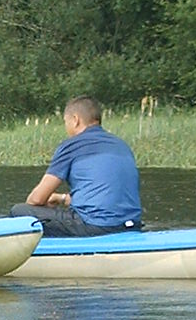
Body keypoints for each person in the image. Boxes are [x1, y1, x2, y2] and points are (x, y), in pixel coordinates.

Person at [16, 96, 142, 236]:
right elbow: (105, 195)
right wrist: (62, 198)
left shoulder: (72, 146)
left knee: (21, 211)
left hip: (96, 227)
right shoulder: (121, 145)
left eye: (66, 122)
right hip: (131, 225)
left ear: (75, 120)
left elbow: (36, 200)